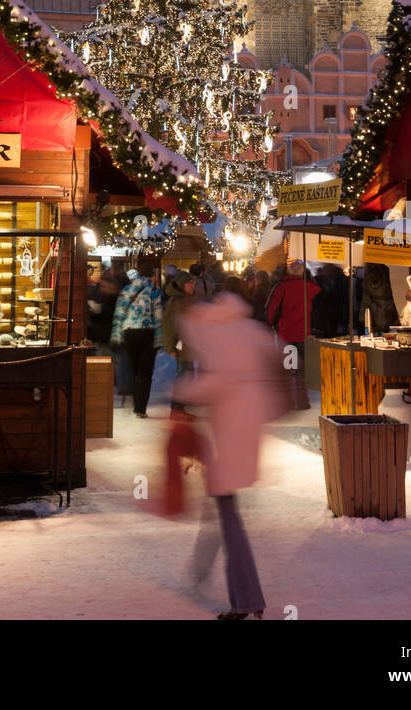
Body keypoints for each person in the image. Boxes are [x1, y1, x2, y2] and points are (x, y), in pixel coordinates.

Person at [175, 288, 280, 619]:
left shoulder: (218, 334)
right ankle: (208, 572)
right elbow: (276, 356)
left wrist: (180, 392)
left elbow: (219, 381)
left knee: (227, 512)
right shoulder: (249, 328)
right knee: (223, 506)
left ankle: (247, 599)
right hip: (247, 429)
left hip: (231, 435)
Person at [110, 255, 164, 417]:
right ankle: (140, 409)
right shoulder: (155, 292)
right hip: (148, 333)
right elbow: (159, 317)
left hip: (130, 333)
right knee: (145, 372)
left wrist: (116, 336)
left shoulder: (126, 290)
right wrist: (160, 339)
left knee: (134, 369)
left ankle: (134, 400)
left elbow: (118, 314)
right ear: (151, 275)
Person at [267, 260, 320, 409]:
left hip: (286, 335)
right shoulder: (312, 288)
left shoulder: (281, 288)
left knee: (289, 369)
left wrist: (273, 324)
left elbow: (271, 311)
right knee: (303, 371)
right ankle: (302, 401)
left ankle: (288, 402)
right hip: (306, 335)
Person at [163, 270, 197, 415]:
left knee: (188, 374)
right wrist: (171, 347)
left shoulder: (187, 299)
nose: (193, 286)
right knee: (184, 375)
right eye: (190, 283)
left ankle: (180, 407)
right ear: (183, 285)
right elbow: (170, 325)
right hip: (182, 344)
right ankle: (177, 408)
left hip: (190, 344)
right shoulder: (176, 301)